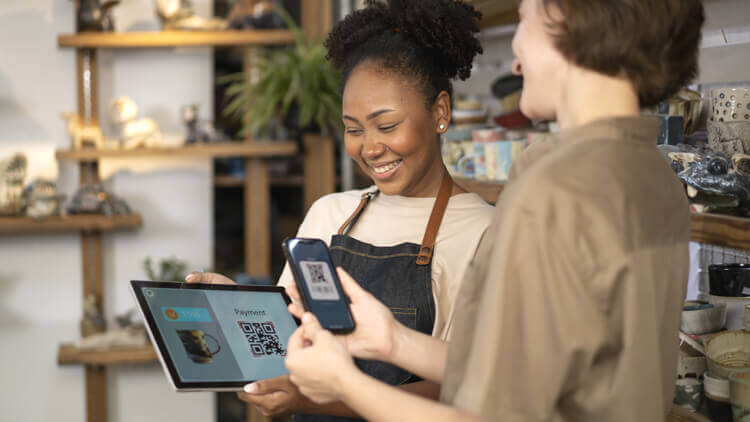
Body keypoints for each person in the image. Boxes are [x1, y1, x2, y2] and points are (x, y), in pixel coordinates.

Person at [282, 0, 706, 420]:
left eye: (524, 19)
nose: (516, 59)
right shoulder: (655, 174)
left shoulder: (557, 188)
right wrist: (392, 340)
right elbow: (538, 372)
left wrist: (343, 384)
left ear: (567, 16)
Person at [186, 0, 491, 419]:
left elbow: (467, 391)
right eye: (353, 129)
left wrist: (313, 397)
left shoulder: (482, 231)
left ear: (439, 112)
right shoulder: (330, 213)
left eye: (387, 126)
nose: (369, 148)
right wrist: (240, 312)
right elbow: (290, 344)